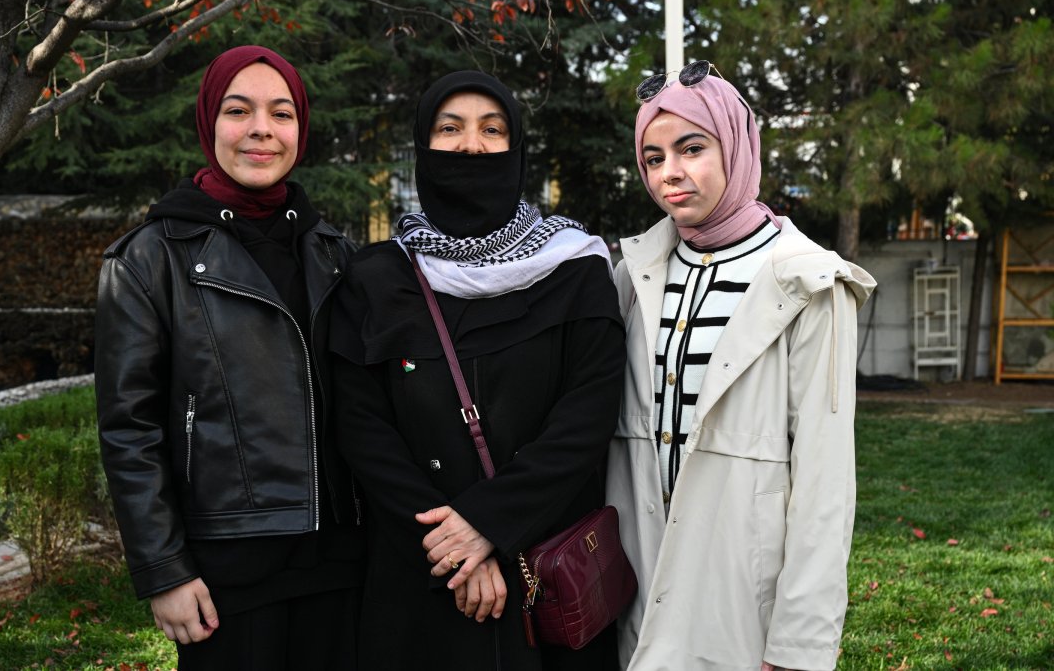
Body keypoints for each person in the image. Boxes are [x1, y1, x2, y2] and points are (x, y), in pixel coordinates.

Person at [328, 70, 625, 670]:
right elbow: (362, 428)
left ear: (517, 150)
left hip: (546, 572)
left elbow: (586, 417)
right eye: (450, 128)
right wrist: (454, 549)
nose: (471, 146)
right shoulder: (376, 278)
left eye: (492, 130)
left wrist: (488, 524)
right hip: (422, 575)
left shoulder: (576, 268)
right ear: (422, 146)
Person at [94, 45, 363, 670]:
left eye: (283, 112)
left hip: (344, 564)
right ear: (210, 121)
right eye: (239, 110)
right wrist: (163, 570)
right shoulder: (148, 259)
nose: (262, 130)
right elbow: (127, 430)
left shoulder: (333, 252)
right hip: (227, 574)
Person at [605, 61, 877, 671]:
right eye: (652, 158)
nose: (670, 173)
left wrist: (798, 644)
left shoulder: (808, 280)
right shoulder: (634, 271)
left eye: (691, 148)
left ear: (735, 144)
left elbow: (825, 481)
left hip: (738, 602)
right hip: (635, 591)